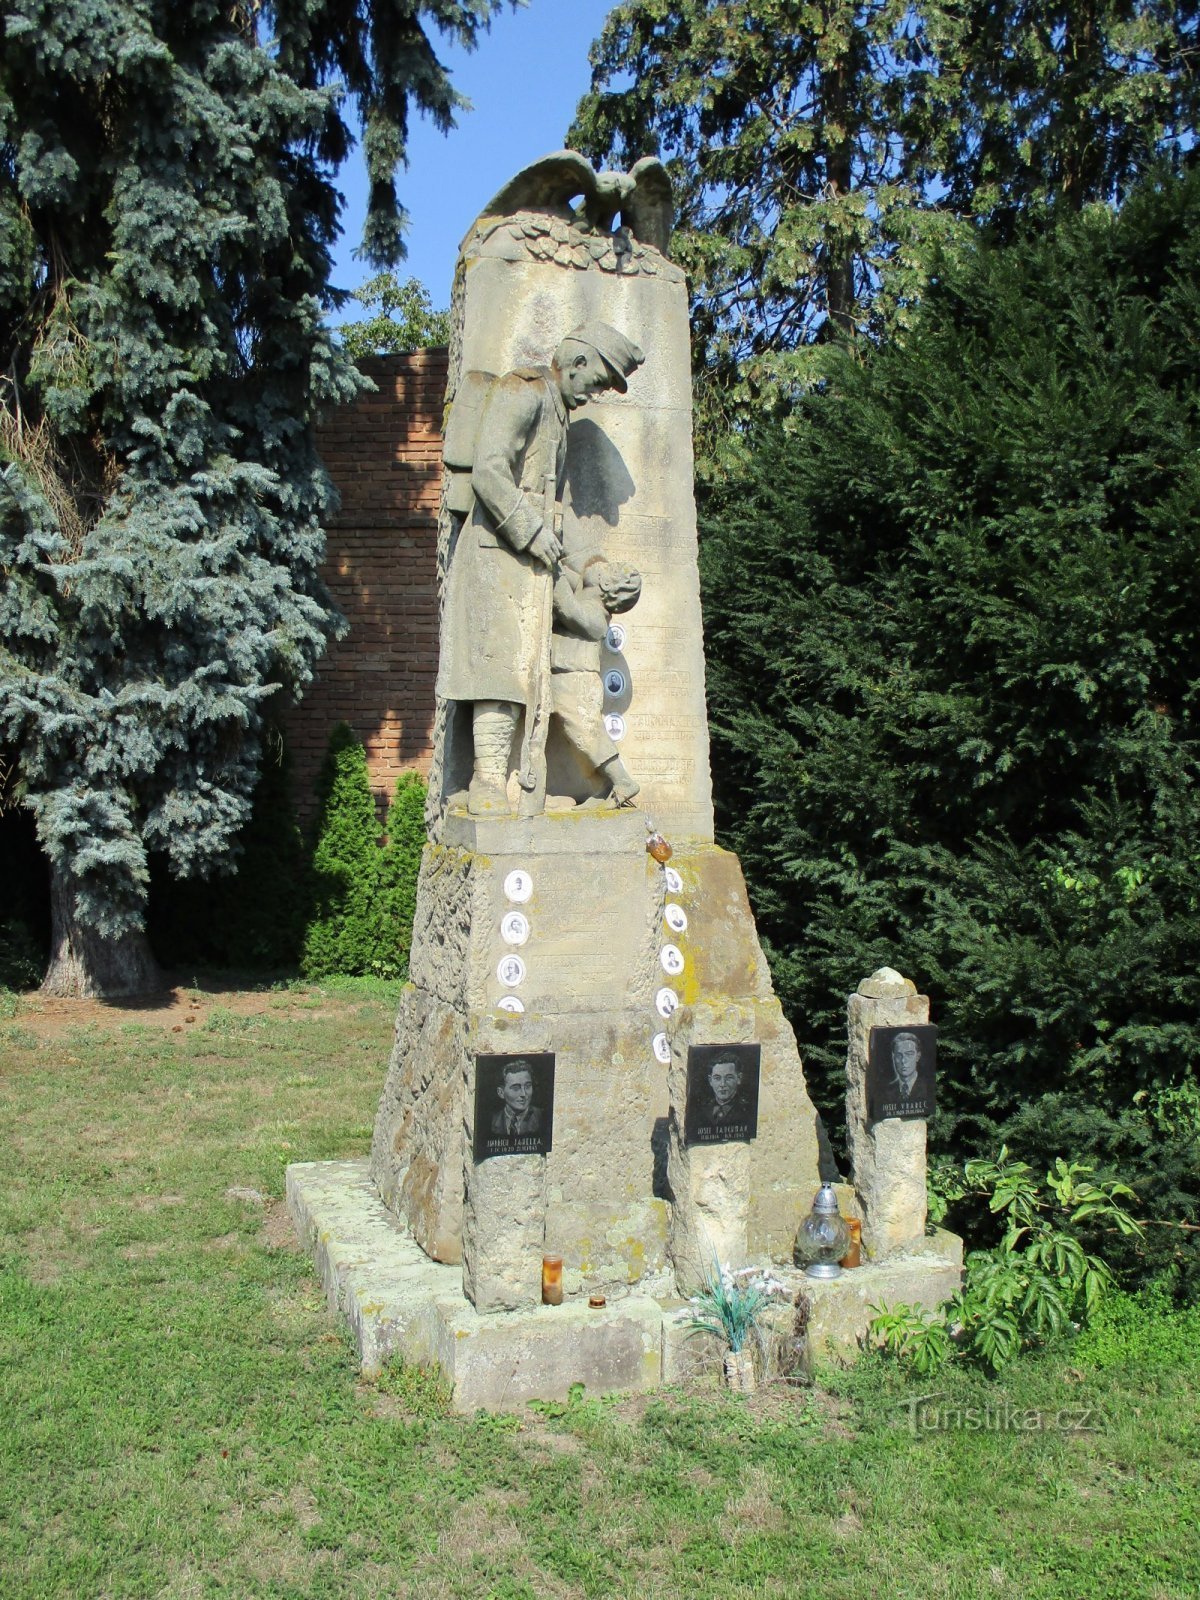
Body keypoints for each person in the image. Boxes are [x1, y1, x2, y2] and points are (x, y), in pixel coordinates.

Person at [436, 322, 645, 816]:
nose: (596, 393)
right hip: (496, 554)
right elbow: (489, 470)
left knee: (521, 678)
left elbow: (556, 509)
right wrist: (531, 532)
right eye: (598, 379)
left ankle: (507, 783)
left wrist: (597, 568)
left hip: (526, 564)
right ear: (577, 362)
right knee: (498, 673)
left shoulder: (558, 413)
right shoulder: (524, 391)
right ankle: (487, 780)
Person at [550, 558, 642, 805]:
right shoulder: (583, 592)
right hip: (561, 675)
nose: (594, 564)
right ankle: (603, 786)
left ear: (605, 583)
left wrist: (550, 564)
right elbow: (569, 579)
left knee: (586, 733)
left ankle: (623, 781)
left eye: (602, 568)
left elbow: (567, 609)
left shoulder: (597, 618)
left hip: (575, 679)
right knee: (577, 733)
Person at [490, 1059, 543, 1137]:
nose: (523, 1094)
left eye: (527, 1086)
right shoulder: (491, 1121)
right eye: (516, 1088)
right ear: (501, 1093)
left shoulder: (542, 1118)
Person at [701, 1056, 746, 1127]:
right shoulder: (702, 1110)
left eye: (729, 1078)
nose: (722, 1084)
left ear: (739, 1078)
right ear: (710, 1081)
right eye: (717, 1078)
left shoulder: (747, 1110)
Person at [890, 1032, 922, 1099]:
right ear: (894, 1057)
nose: (903, 1061)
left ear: (918, 1056)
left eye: (909, 1054)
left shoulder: (928, 1087)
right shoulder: (887, 1090)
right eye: (899, 1055)